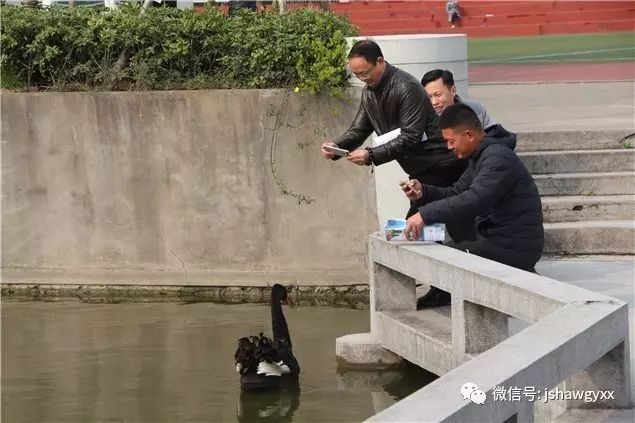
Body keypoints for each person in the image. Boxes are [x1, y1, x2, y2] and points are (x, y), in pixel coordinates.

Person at [402, 104, 544, 308]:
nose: (449, 147)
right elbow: (456, 192)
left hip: (511, 246)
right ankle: (442, 291)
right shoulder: (480, 156)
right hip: (486, 234)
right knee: (398, 232)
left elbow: (475, 200)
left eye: (451, 141)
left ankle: (444, 292)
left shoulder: (497, 159)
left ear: (469, 135)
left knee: (444, 252)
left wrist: (424, 215)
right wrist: (423, 191)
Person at [320, 40, 466, 218]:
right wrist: (335, 146)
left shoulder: (407, 87)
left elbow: (411, 136)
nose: (363, 79)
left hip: (442, 168)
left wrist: (370, 155)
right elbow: (358, 130)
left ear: (380, 61)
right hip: (420, 171)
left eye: (365, 72)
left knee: (422, 228)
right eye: (357, 75)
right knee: (425, 231)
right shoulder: (369, 93)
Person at [421, 69, 512, 139]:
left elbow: (495, 136)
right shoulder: (420, 119)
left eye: (438, 95)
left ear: (453, 90)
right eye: (429, 97)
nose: (434, 102)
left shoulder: (476, 109)